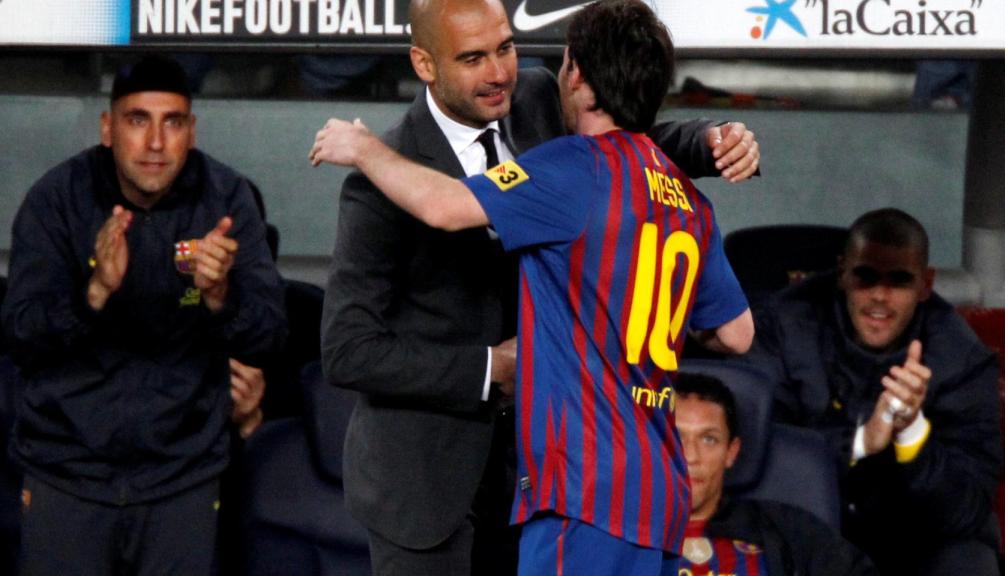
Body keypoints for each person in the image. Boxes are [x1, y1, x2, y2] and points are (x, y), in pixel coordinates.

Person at [316, 0, 760, 573]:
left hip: (550, 480)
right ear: (424, 63)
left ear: (572, 72)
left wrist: (709, 140)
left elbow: (620, 137)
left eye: (505, 47)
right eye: (473, 58)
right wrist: (491, 369)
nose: (499, 72)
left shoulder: (539, 104)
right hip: (429, 485)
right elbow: (348, 351)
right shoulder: (380, 183)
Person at [2, 54, 287, 575]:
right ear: (108, 128)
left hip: (183, 476)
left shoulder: (224, 199)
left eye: (172, 122)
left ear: (191, 131)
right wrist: (95, 291)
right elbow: (20, 336)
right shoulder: (57, 199)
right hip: (67, 473)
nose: (156, 142)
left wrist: (222, 296)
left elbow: (270, 336)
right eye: (138, 120)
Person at [743, 208, 1003, 575]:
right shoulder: (783, 325)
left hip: (914, 533)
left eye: (899, 280)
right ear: (842, 273)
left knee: (969, 561)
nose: (880, 295)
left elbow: (966, 509)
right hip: (808, 521)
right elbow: (756, 451)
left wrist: (912, 433)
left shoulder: (961, 357)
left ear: (925, 284)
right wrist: (862, 440)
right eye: (866, 276)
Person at [673, 372, 878, 576]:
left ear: (731, 452)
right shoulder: (641, 534)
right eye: (676, 437)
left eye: (709, 439)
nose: (690, 456)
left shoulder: (789, 531)